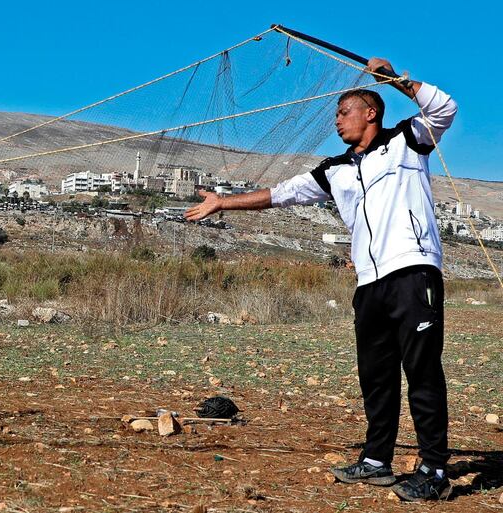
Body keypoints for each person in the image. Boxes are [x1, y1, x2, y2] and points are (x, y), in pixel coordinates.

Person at [184, 58, 457, 502]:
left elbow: (444, 107)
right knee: (376, 373)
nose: (335, 121)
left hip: (413, 270)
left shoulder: (408, 140)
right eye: (335, 115)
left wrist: (398, 81)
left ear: (371, 112)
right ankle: (376, 461)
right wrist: (223, 203)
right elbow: (281, 194)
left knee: (422, 370)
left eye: (342, 113)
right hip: (370, 282)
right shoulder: (335, 169)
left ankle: (434, 469)